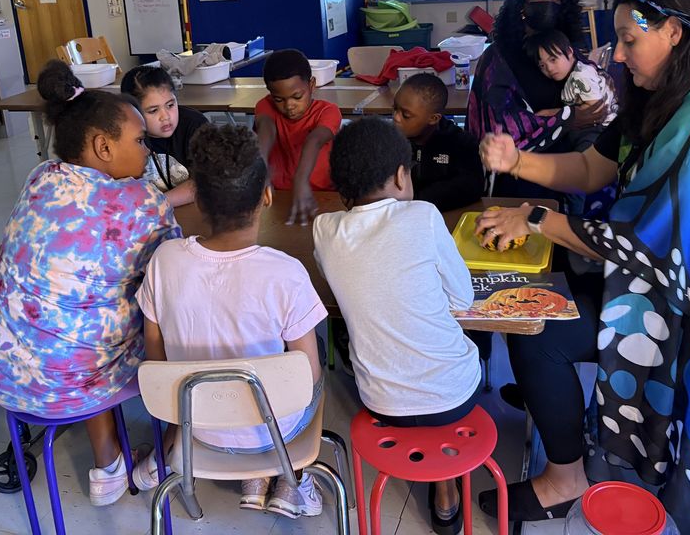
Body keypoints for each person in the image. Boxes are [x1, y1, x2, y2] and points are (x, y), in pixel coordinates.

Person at [475, 0, 690, 532]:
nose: (619, 54)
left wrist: (535, 218)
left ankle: (566, 479)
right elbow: (589, 169)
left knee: (540, 333)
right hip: (663, 274)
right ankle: (573, 453)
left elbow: (647, 246)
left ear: (674, 32)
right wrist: (516, 162)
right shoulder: (664, 96)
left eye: (630, 40)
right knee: (542, 304)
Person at [0, 60, 180, 507]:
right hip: (74, 382)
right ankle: (169, 452)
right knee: (166, 322)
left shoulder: (39, 178)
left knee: (78, 317)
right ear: (103, 147)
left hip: (1, 372)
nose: (147, 151)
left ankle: (108, 464)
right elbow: (177, 277)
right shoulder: (142, 201)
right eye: (139, 140)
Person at [132, 123, 327, 519]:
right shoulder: (286, 273)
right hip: (274, 429)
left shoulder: (163, 260)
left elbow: (155, 355)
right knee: (312, 357)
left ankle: (255, 480)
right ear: (267, 196)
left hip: (195, 426)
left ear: (198, 200)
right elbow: (306, 378)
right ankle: (294, 482)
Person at [313, 117, 480, 535]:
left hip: (380, 403)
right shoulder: (423, 215)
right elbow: (463, 299)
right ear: (401, 175)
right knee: (450, 351)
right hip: (455, 396)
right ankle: (446, 491)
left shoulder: (324, 229)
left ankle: (441, 485)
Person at [466, 0, 602, 197]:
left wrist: (566, 116)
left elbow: (597, 97)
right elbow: (497, 130)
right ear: (520, 14)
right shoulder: (497, 60)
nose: (546, 60)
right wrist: (567, 117)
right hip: (516, 175)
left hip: (569, 169)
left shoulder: (562, 47)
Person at [254, 49, 342, 225]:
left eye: (297, 97)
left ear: (311, 85)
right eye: (279, 99)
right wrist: (260, 168)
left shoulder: (328, 111)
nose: (289, 106)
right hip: (279, 197)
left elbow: (314, 141)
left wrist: (300, 181)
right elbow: (266, 131)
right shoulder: (265, 106)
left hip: (323, 196)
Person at [392, 73, 484, 211]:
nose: (396, 118)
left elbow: (471, 187)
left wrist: (419, 200)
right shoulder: (388, 141)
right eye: (394, 109)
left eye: (406, 115)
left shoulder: (461, 143)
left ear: (433, 118)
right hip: (400, 215)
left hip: (445, 216)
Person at [120, 64, 207, 207]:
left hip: (194, 209)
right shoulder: (126, 136)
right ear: (133, 113)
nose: (165, 117)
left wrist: (157, 203)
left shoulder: (196, 126)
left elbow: (204, 182)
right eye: (153, 111)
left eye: (170, 105)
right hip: (149, 217)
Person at [531, 28, 617, 150]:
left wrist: (551, 113)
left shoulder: (580, 75)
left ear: (570, 51)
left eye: (553, 59)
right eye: (542, 65)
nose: (549, 68)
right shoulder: (572, 75)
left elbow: (596, 109)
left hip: (600, 128)